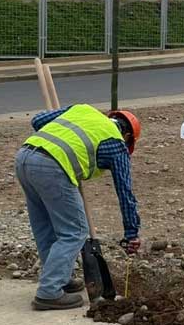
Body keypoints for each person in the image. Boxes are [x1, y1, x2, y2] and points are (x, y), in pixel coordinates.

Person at [17, 104, 142, 310]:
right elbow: (125, 192)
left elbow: (38, 121)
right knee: (75, 231)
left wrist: (64, 140)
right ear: (127, 135)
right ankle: (49, 292)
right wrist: (132, 233)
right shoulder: (117, 144)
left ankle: (60, 279)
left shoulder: (84, 110)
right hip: (52, 167)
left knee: (46, 228)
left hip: (24, 157)